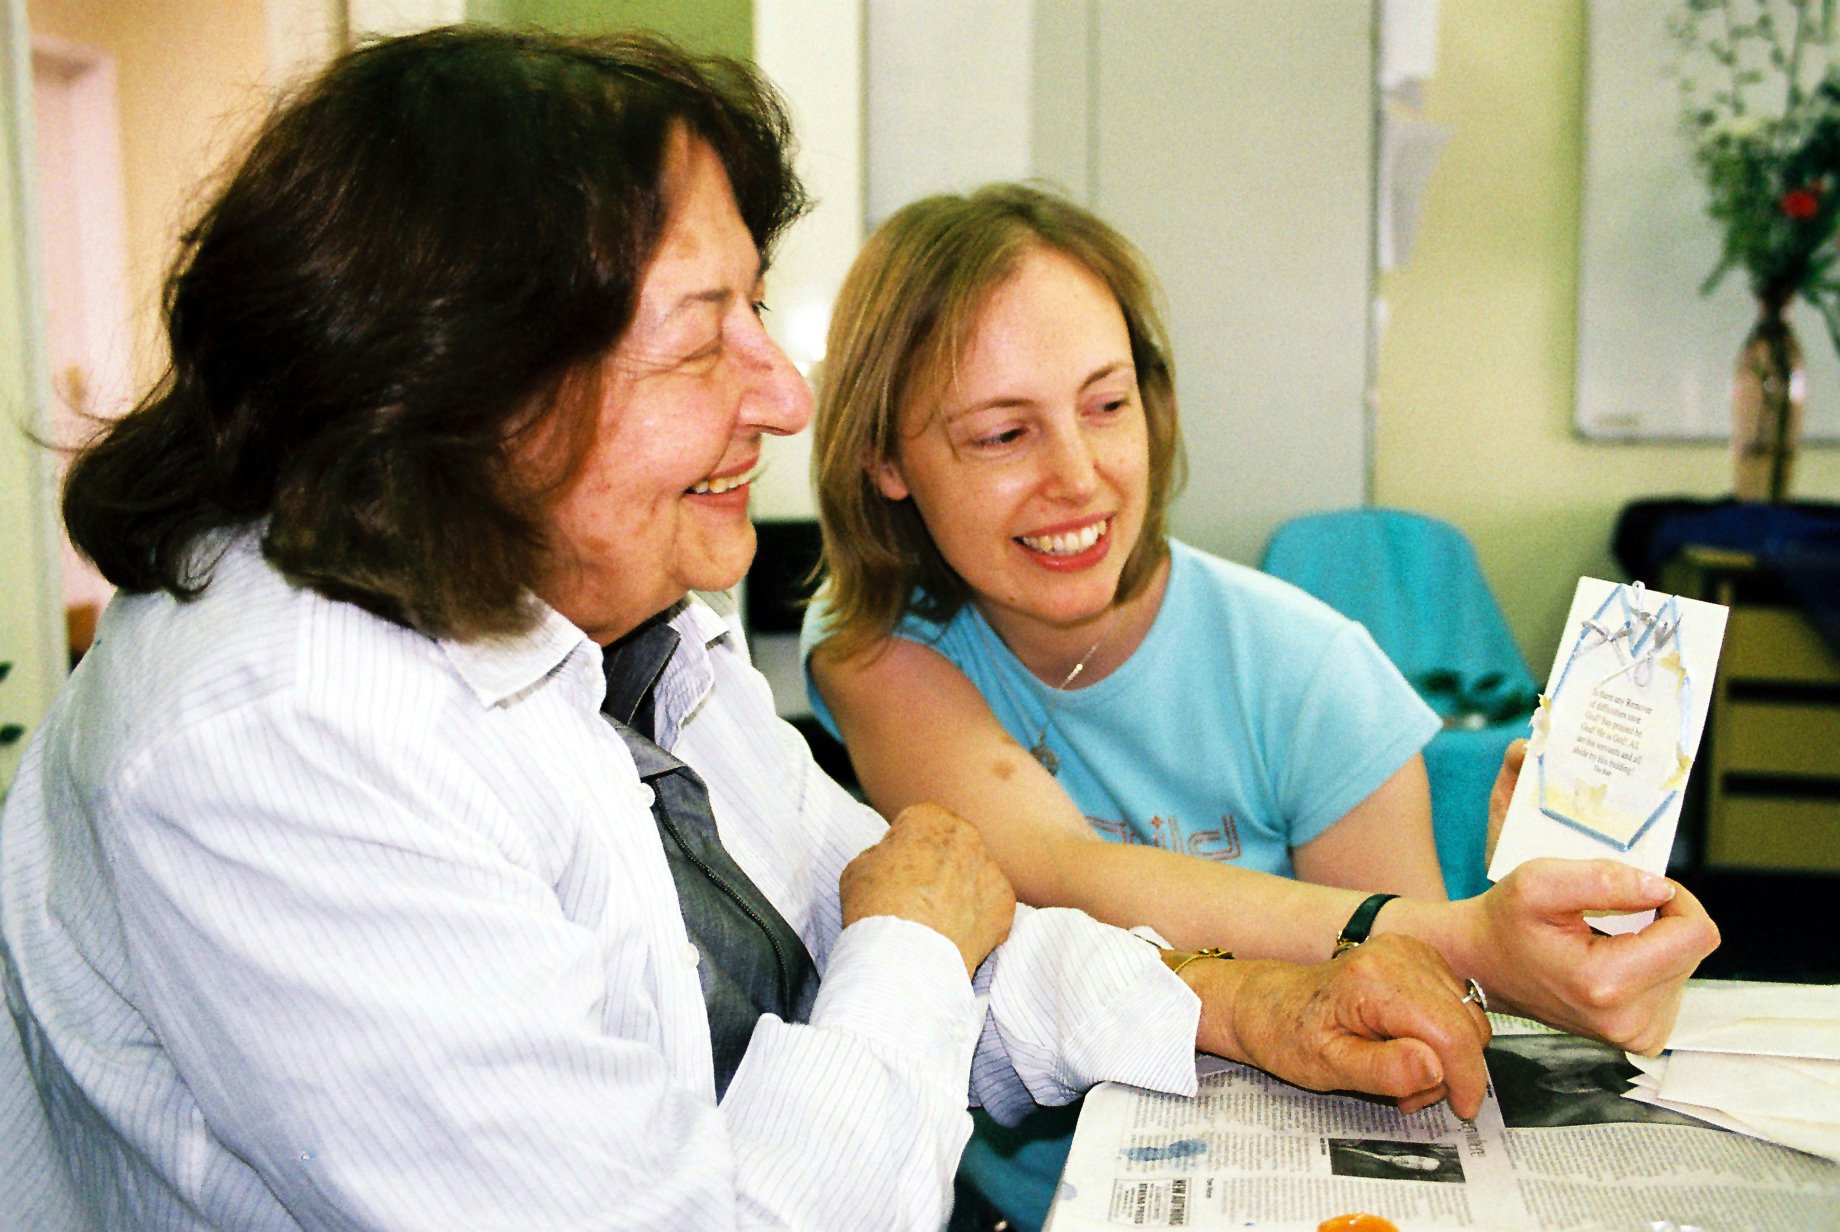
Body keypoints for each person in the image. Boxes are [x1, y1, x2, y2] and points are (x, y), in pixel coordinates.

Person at [0, 29, 1498, 1232]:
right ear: (473, 384)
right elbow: (896, 954)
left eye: (759, 313)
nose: (785, 395)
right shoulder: (276, 747)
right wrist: (914, 943)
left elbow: (882, 908)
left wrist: (1245, 1008)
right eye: (704, 334)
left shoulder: (621, 612)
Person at [801, 183, 1722, 1229]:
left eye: (1106, 405)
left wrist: (1522, 951)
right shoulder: (879, 650)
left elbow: (1419, 1036)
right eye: (1002, 434)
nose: (1078, 475)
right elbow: (1061, 868)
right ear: (883, 459)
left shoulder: (1314, 670)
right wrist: (1454, 934)